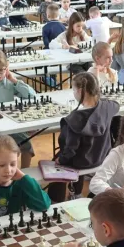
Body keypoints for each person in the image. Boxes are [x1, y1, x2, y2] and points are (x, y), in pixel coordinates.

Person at [48, 72, 119, 202]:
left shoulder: (74, 119)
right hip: (102, 156)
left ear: (80, 91)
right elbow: (116, 104)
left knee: (56, 161)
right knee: (82, 150)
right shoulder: (108, 107)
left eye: (73, 90)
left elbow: (70, 150)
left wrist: (61, 160)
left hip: (81, 162)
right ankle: (77, 193)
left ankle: (55, 200)